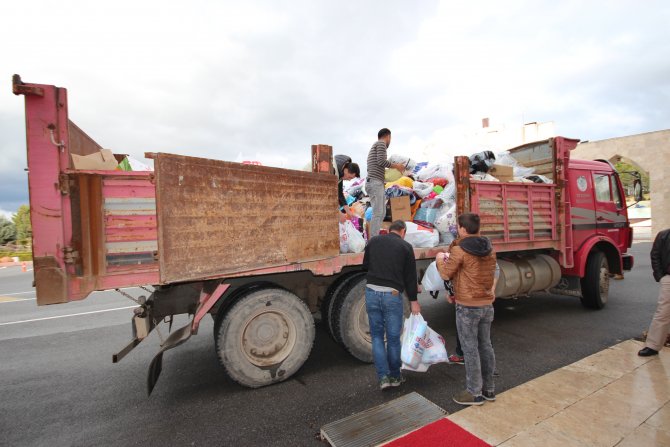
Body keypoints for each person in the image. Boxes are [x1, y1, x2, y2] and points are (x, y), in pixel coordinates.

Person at [436, 213, 497, 406]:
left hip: (467, 306)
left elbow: (446, 274)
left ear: (462, 229)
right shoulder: (489, 248)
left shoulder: (460, 250)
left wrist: (439, 259)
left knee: (470, 349)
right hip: (486, 304)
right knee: (485, 346)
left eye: (458, 227)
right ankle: (489, 389)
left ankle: (474, 392)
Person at [362, 220, 421, 390]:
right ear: (403, 231)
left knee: (377, 337)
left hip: (371, 292)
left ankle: (383, 378)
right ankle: (395, 376)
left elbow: (365, 266)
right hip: (392, 294)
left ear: (388, 230)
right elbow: (410, 277)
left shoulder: (373, 241)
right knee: (394, 339)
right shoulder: (405, 247)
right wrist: (414, 301)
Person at [366, 128, 407, 237]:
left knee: (381, 212)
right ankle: (373, 240)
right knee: (378, 213)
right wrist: (397, 166)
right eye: (390, 138)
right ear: (388, 136)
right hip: (375, 183)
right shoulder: (381, 144)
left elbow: (378, 164)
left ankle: (374, 237)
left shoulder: (376, 145)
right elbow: (381, 161)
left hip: (374, 182)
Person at [639, 228, 670, 357]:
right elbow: (655, 255)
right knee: (663, 312)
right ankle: (653, 346)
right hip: (668, 278)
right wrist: (661, 276)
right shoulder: (664, 235)